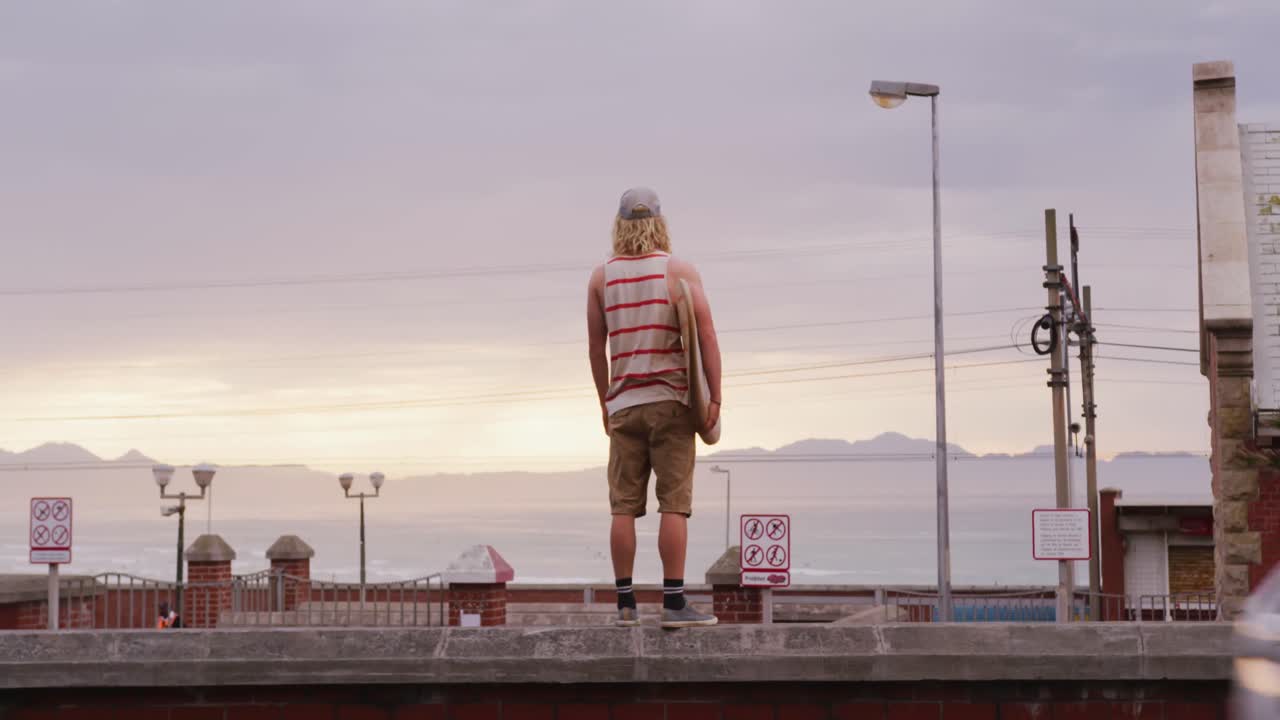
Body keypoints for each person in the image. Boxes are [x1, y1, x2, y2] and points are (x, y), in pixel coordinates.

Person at [586, 187, 722, 628]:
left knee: (622, 506)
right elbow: (706, 338)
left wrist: (605, 400)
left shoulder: (600, 278)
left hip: (623, 405)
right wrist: (715, 397)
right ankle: (674, 603)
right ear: (660, 223)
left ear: (619, 225)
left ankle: (625, 605)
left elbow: (595, 346)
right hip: (671, 403)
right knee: (673, 505)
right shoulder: (679, 271)